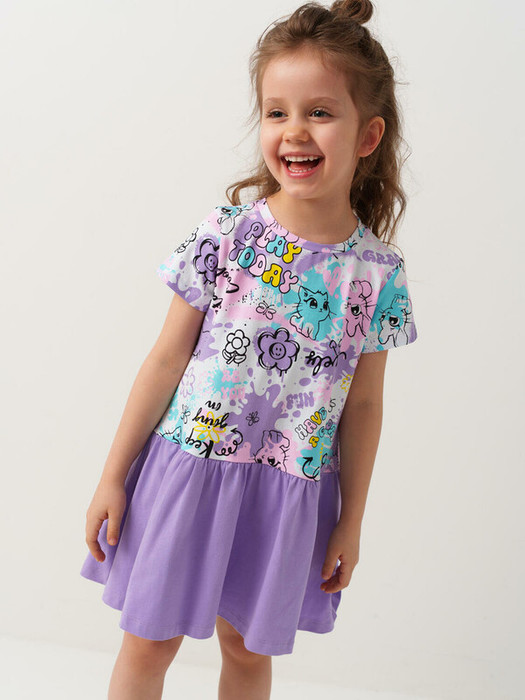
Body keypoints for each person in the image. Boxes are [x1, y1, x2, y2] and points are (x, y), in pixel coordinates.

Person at [80, 1, 419, 698]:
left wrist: (350, 520)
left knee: (245, 647)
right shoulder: (228, 234)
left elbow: (364, 406)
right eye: (276, 112)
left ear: (367, 135)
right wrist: (113, 475)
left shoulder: (377, 273)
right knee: (148, 640)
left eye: (319, 112)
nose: (294, 130)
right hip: (190, 469)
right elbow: (165, 360)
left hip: (288, 488)